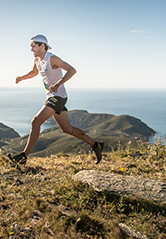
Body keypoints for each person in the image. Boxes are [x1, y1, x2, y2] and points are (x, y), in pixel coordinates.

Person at [9, 34, 104, 165]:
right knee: (67, 129)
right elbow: (34, 72)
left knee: (35, 122)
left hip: (58, 97)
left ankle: (23, 156)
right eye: (30, 46)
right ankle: (96, 145)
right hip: (52, 96)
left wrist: (59, 83)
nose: (31, 49)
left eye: (33, 46)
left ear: (42, 46)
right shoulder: (37, 59)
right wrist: (21, 78)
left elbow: (72, 70)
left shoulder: (52, 59)